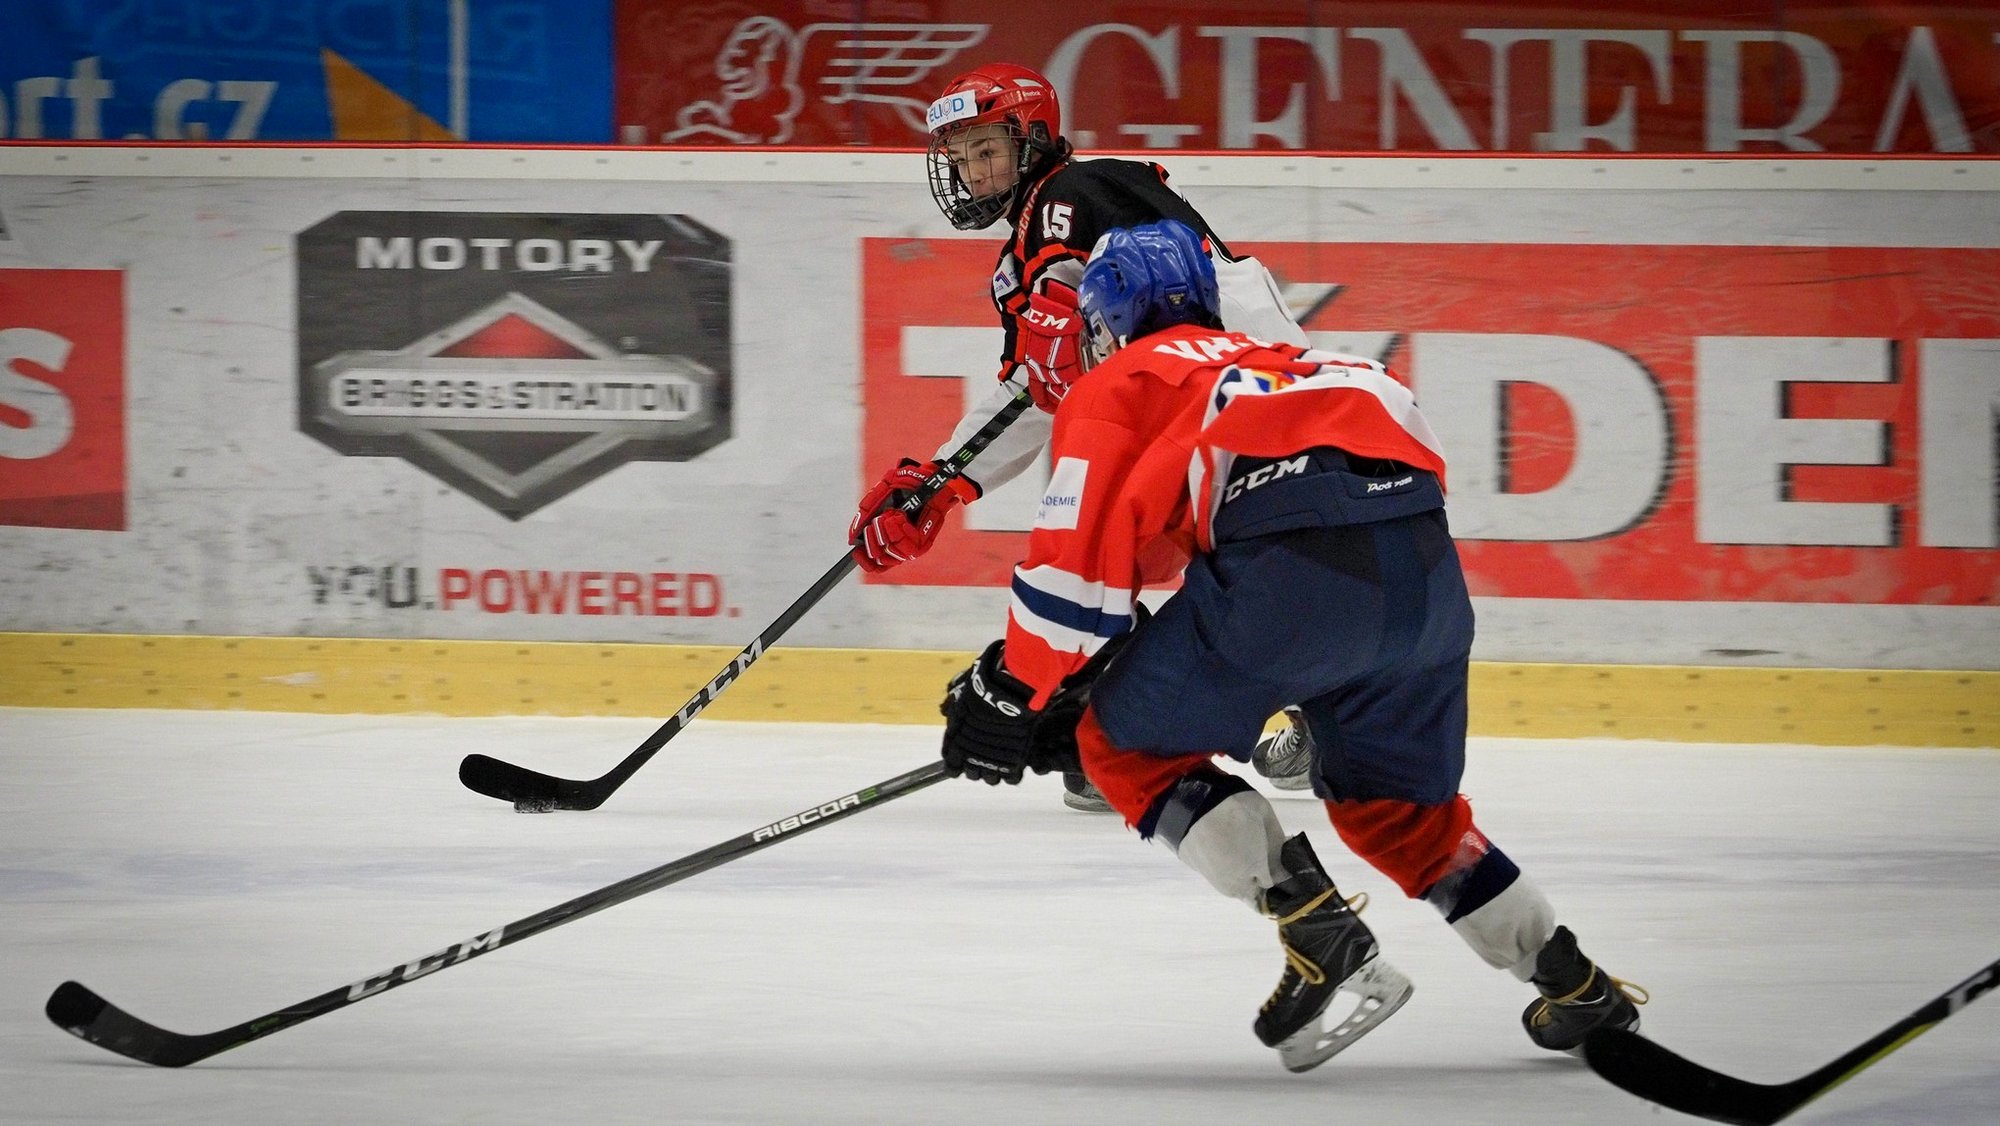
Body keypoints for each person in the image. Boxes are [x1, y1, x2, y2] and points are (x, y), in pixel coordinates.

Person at [935, 219, 1645, 1071]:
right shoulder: (1319, 364)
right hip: (1427, 592)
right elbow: (1332, 505)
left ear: (1109, 319)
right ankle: (1571, 981)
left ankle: (1313, 924)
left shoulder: (1123, 380)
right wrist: (1101, 662)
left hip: (1289, 591)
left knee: (1120, 748)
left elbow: (1073, 582)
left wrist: (1015, 692)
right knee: (1402, 815)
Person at [849, 62, 1312, 809]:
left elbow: (1195, 291)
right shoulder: (1018, 261)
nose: (973, 172)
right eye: (961, 158)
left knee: (1123, 564)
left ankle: (1182, 729)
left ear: (1032, 138)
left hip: (1239, 399)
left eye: (986, 149)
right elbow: (1036, 388)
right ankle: (1148, 731)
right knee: (1113, 567)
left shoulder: (1078, 190)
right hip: (1197, 413)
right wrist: (941, 480)